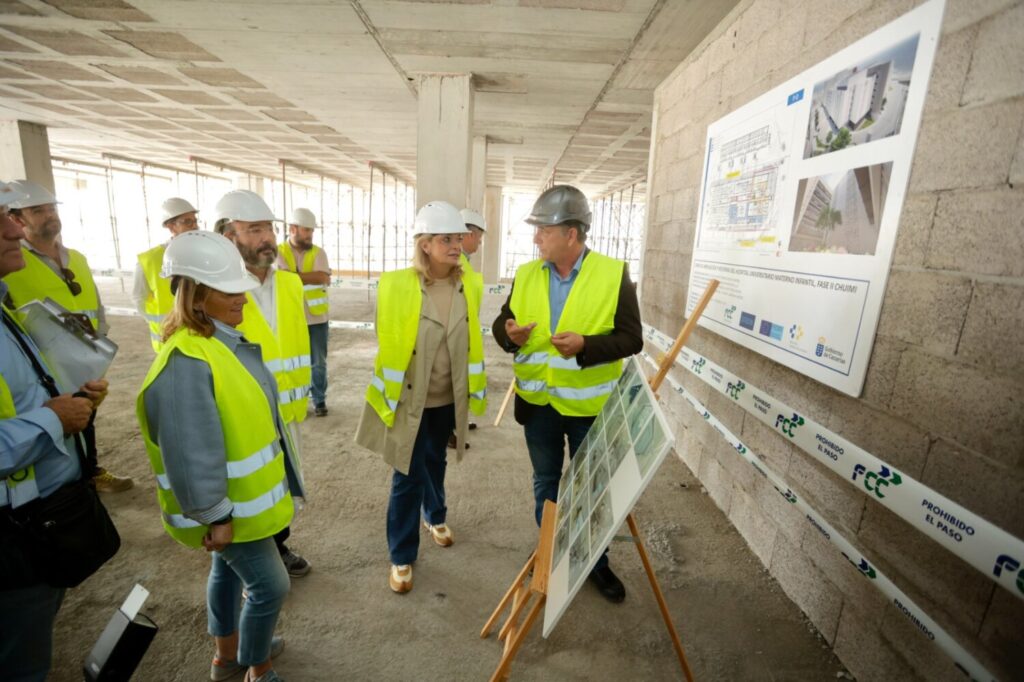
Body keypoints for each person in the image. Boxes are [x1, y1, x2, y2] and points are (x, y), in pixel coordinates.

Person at [137, 230, 303, 682]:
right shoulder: (187, 361)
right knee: (270, 586)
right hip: (227, 508)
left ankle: (227, 658)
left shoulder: (218, 342)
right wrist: (215, 514)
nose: (242, 298)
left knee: (228, 575)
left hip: (241, 503)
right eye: (228, 289)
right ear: (194, 294)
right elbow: (189, 452)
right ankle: (256, 667)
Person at [492, 185, 642, 604]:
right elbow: (502, 325)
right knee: (545, 482)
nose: (536, 237)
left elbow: (633, 339)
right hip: (538, 405)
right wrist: (509, 335)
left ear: (571, 234)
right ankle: (550, 552)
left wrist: (587, 347)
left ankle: (594, 562)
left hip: (587, 408)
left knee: (590, 488)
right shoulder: (526, 274)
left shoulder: (613, 275)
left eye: (543, 229)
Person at [0, 180, 112, 681]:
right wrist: (53, 418)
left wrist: (72, 397)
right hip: (14, 529)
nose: (14, 229)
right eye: (5, 219)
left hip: (40, 507)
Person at [355, 200, 487, 594]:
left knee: (435, 459)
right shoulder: (396, 284)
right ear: (425, 244)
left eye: (458, 237)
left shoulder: (472, 285)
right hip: (409, 399)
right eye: (446, 238)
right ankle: (401, 555)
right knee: (407, 474)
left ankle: (436, 515)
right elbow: (387, 338)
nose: (456, 245)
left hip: (449, 398)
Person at [2, 179, 133, 494]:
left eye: (51, 208)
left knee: (85, 423)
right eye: (38, 210)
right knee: (55, 426)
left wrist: (97, 349)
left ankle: (89, 470)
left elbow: (94, 305)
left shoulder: (77, 258)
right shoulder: (18, 263)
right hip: (40, 368)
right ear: (20, 219)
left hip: (83, 362)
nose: (49, 215)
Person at [214, 190, 312, 579]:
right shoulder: (216, 290)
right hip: (244, 410)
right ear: (227, 236)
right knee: (250, 487)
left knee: (283, 483)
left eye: (268, 229)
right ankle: (254, 560)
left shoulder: (289, 284)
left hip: (287, 407)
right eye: (253, 230)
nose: (266, 238)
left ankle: (279, 545)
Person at [276, 208, 331, 417]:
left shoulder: (319, 252)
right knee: (292, 361)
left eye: (311, 231)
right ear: (293, 229)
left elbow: (322, 278)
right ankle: (296, 400)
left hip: (317, 317)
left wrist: (294, 275)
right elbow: (280, 278)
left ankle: (319, 400)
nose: (310, 235)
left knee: (318, 362)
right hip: (290, 317)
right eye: (306, 230)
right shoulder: (278, 251)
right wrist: (309, 276)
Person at [132, 197, 199, 352]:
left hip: (202, 335)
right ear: (171, 226)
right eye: (188, 222)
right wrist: (159, 322)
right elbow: (138, 298)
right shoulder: (150, 259)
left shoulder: (204, 254)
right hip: (168, 340)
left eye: (195, 221)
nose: (195, 226)